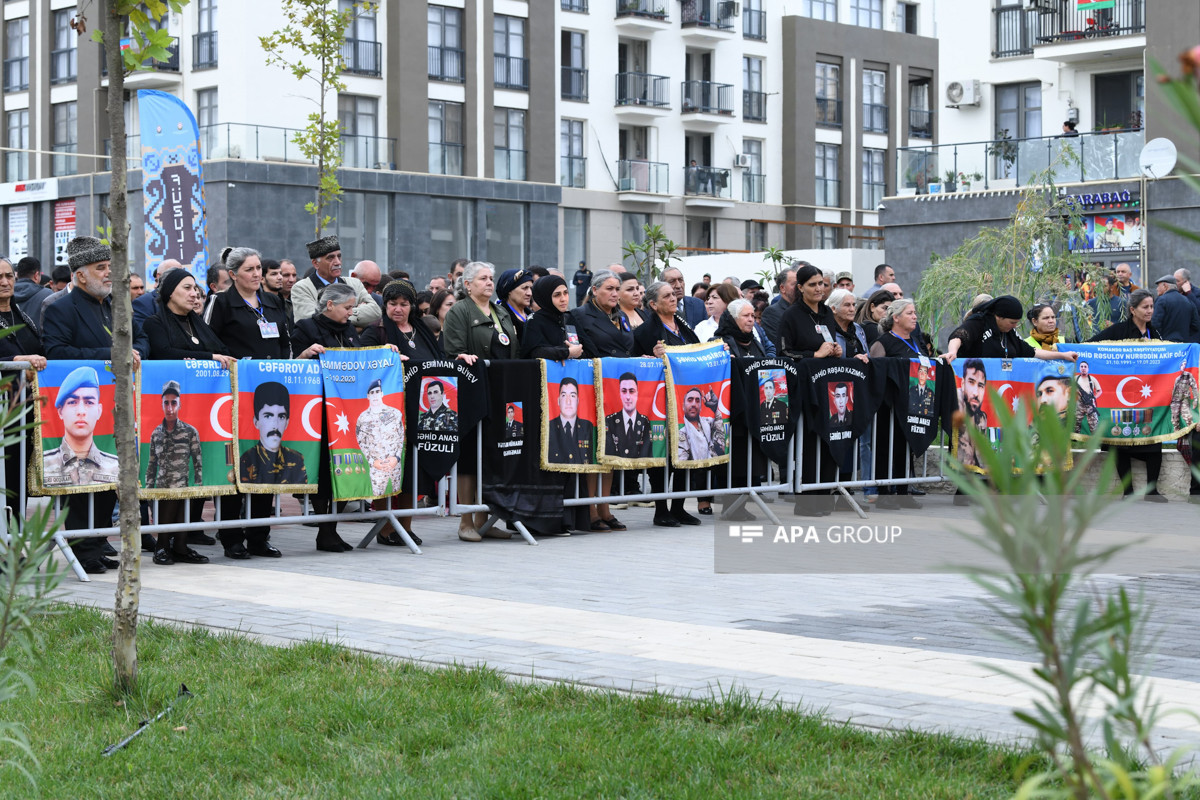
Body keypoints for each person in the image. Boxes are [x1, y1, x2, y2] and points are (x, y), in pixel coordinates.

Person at [633, 281, 706, 526]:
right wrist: (653, 357)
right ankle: (661, 509)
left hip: (684, 401)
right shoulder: (645, 331)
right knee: (662, 456)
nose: (673, 297)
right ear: (653, 304)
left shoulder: (682, 323)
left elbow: (697, 349)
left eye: (674, 294)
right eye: (667, 296)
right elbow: (636, 362)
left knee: (686, 452)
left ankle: (679, 507)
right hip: (661, 404)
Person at [1088, 289, 1166, 501]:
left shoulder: (1155, 334)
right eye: (1145, 307)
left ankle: (1152, 491)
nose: (1150, 311)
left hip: (1147, 397)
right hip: (1120, 398)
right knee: (1119, 441)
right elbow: (1089, 347)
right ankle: (1128, 490)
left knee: (1153, 439)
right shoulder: (1118, 331)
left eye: (1152, 306)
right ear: (1133, 310)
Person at [868, 299, 944, 510]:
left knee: (905, 448)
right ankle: (884, 493)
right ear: (896, 318)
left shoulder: (917, 342)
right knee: (886, 447)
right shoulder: (883, 342)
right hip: (889, 407)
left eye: (914, 313)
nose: (914, 316)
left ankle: (903, 491)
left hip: (914, 404)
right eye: (910, 313)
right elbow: (875, 372)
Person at [145, 380, 209, 566]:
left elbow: (198, 462)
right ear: (161, 404)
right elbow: (151, 464)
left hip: (184, 486)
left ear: (180, 405)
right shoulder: (156, 433)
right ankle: (162, 548)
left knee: (183, 515)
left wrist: (198, 486)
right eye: (166, 402)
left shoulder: (190, 432)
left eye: (174, 403)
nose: (170, 408)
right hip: (163, 487)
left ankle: (180, 548)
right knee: (166, 514)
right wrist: (149, 492)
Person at [944, 295, 1078, 364]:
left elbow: (1033, 352)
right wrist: (952, 352)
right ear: (999, 317)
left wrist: (1062, 355)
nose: (1014, 326)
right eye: (1012, 322)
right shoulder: (979, 321)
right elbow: (959, 336)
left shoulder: (1009, 333)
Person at [290, 235, 381, 328]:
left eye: (339, 256)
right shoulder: (302, 288)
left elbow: (375, 312)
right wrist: (356, 318)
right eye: (330, 258)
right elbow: (309, 321)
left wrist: (331, 314)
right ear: (316, 263)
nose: (338, 262)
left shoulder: (355, 284)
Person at [360, 280, 445, 361]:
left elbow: (439, 361)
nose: (398, 309)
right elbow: (363, 362)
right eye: (393, 304)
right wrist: (384, 357)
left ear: (411, 307)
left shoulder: (423, 328)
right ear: (386, 305)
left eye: (403, 305)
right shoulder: (375, 331)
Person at [780, 265, 842, 360]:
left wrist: (835, 350)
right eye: (812, 285)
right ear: (800, 288)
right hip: (804, 372)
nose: (818, 289)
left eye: (821, 283)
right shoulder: (791, 315)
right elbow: (783, 353)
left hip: (828, 371)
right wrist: (814, 354)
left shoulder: (827, 312)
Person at [356, 378, 405, 497]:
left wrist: (397, 458)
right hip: (377, 466)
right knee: (378, 498)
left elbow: (400, 436)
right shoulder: (362, 418)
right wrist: (373, 462)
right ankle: (381, 516)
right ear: (368, 396)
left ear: (382, 393)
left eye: (377, 391)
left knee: (400, 495)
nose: (375, 395)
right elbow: (361, 443)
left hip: (395, 465)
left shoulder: (395, 413)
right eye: (372, 393)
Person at [571, 269, 633, 359]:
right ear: (595, 290)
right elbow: (576, 353)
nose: (615, 294)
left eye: (617, 289)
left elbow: (628, 349)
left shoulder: (622, 315)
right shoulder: (578, 315)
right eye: (609, 289)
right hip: (599, 370)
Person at [521, 275, 584, 361]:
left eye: (565, 293)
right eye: (557, 295)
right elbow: (534, 352)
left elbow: (590, 350)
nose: (563, 299)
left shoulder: (568, 317)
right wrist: (566, 353)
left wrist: (576, 352)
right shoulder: (534, 320)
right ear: (546, 297)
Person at [291, 282, 362, 355]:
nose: (351, 313)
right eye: (347, 308)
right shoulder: (305, 328)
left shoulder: (349, 328)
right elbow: (296, 364)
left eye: (352, 308)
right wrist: (305, 354)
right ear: (330, 305)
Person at [605, 372, 652, 460]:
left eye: (631, 391)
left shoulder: (644, 422)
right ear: (619, 393)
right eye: (624, 391)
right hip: (617, 471)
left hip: (637, 472)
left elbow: (646, 454)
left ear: (637, 393)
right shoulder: (610, 421)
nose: (627, 397)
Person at [548, 377, 595, 464]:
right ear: (558, 401)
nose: (568, 401)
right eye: (564, 395)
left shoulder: (588, 427)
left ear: (578, 401)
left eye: (572, 395)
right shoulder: (548, 427)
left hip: (581, 477)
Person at [677, 387, 725, 461]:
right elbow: (681, 461)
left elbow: (722, 443)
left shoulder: (709, 423)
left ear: (700, 407)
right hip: (693, 471)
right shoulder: (680, 433)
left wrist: (715, 409)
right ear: (683, 406)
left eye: (697, 401)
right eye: (690, 400)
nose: (693, 404)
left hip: (712, 469)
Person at [1151, 274, 1200, 343]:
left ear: (1165, 286)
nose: (1157, 289)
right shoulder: (1188, 301)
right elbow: (1196, 325)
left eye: (1158, 286)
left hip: (1166, 346)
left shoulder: (1161, 300)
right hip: (1184, 346)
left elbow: (1155, 324)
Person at [826, 288, 869, 360]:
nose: (852, 309)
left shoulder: (858, 329)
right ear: (833, 309)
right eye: (847, 305)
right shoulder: (826, 331)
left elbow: (867, 355)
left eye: (854, 305)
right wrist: (853, 360)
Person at [761, 267, 797, 351]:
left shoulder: (805, 310)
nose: (799, 287)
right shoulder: (772, 313)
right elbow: (779, 346)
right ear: (782, 288)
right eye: (794, 284)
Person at [495, 268, 535, 342]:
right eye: (524, 288)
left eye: (531, 288)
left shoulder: (534, 316)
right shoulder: (499, 318)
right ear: (509, 290)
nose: (529, 293)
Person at [1074, 360, 1101, 434]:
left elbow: (1099, 391)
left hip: (1090, 405)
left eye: (1085, 367)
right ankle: (1075, 442)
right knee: (1075, 424)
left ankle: (1095, 444)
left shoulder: (1092, 379)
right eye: (1081, 366)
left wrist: (1094, 398)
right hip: (1079, 404)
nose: (1083, 368)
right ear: (1079, 368)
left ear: (1088, 369)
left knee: (1094, 425)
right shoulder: (1075, 378)